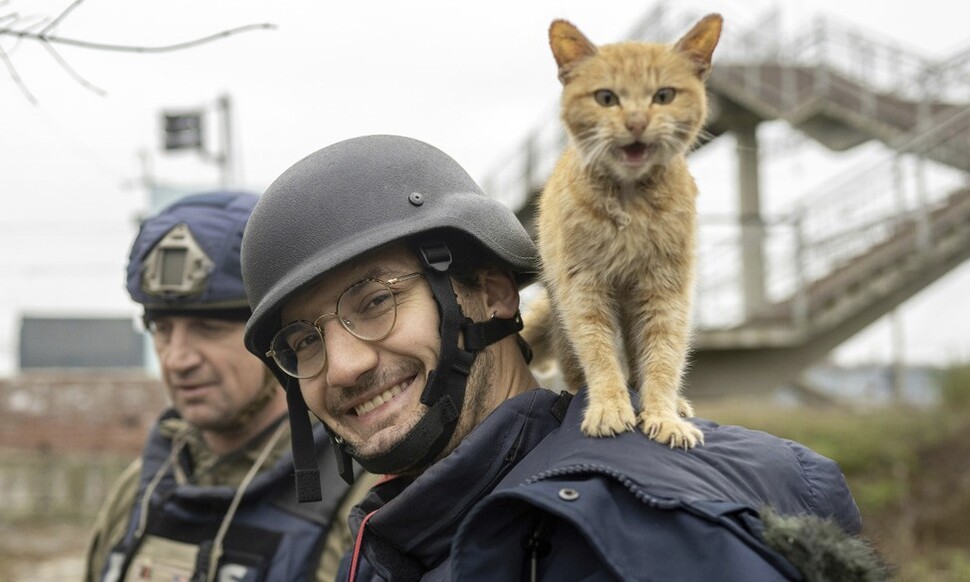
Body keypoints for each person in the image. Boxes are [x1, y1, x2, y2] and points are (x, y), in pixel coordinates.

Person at [240, 136, 879, 581]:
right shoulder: (413, 529)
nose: (345, 364)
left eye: (375, 301)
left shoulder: (639, 534)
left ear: (490, 294)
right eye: (304, 342)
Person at [84, 191, 377, 582]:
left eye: (209, 329)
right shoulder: (141, 487)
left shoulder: (361, 498)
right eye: (162, 328)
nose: (177, 359)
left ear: (277, 339)